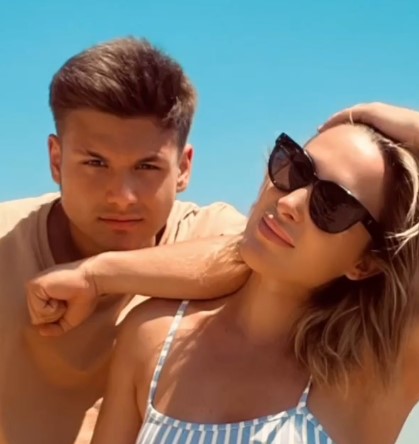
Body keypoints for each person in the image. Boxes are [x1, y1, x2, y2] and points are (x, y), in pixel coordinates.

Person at [40, 102, 419, 443]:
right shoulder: (152, 336)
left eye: (332, 205)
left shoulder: (373, 371)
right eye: (294, 168)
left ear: (363, 263)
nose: (290, 201)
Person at [0, 37, 248, 444]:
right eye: (95, 163)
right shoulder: (5, 240)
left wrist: (97, 275)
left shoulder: (206, 231)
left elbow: (251, 255)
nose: (122, 196)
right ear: (56, 160)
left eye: (147, 167)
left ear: (184, 168)